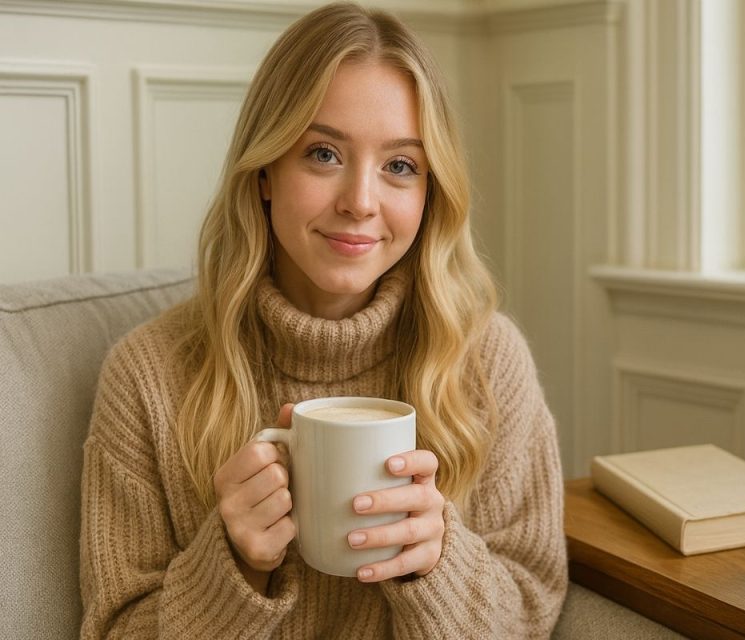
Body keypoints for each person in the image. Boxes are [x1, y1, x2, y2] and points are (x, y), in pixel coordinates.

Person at [78, 3, 567, 638]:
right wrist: (234, 568)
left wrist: (438, 563)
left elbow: (532, 606)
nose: (360, 201)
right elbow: (115, 628)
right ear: (264, 173)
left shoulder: (486, 362)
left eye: (400, 166)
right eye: (324, 153)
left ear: (430, 191)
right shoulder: (148, 377)